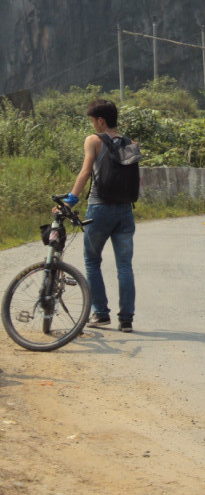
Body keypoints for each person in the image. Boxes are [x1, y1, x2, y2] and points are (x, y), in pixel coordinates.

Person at [60, 99, 137, 332]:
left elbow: (85, 172)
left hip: (99, 208)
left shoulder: (94, 140)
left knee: (92, 262)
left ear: (101, 120)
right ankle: (126, 319)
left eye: (93, 120)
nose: (93, 124)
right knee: (124, 266)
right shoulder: (130, 143)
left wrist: (69, 201)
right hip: (125, 210)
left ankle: (101, 314)